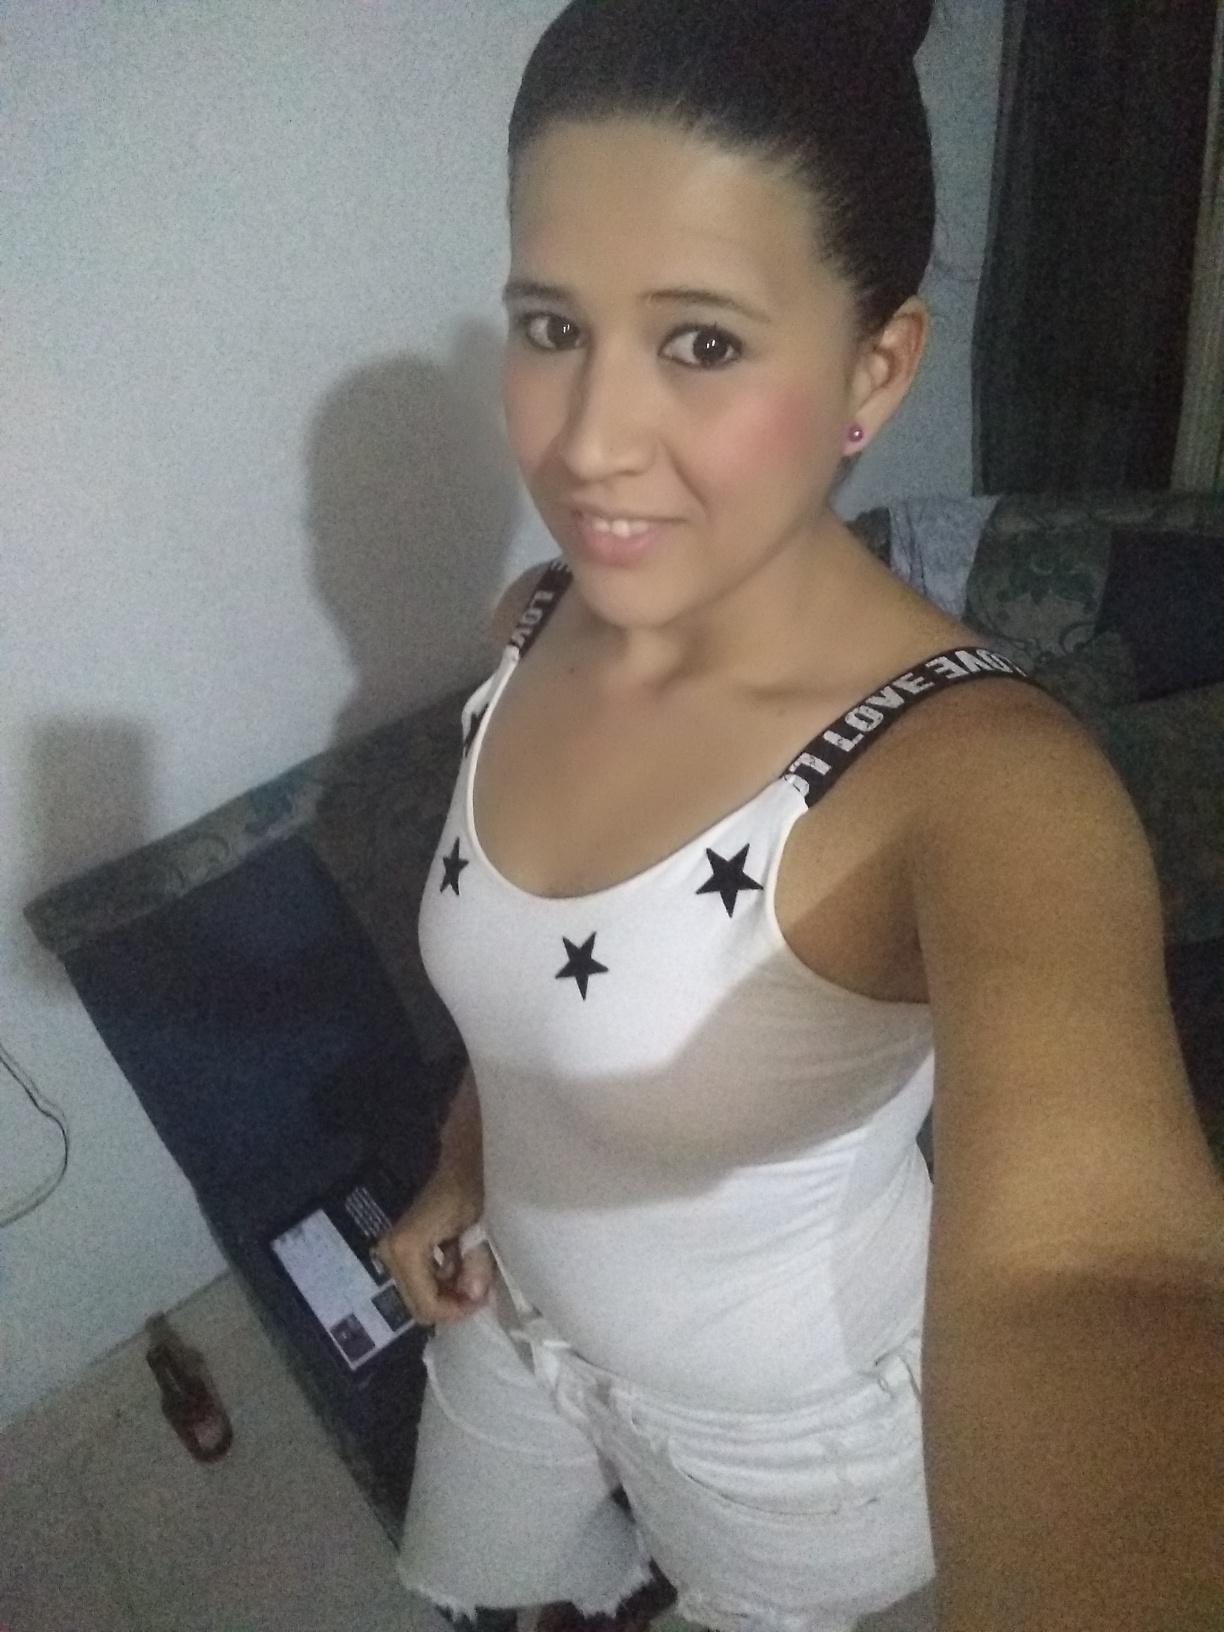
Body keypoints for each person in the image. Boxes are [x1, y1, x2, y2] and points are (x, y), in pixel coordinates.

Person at [376, 3, 1224, 1629]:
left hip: (788, 1440)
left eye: (701, 342)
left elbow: (1097, 1274)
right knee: (483, 1588)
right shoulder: (535, 616)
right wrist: (461, 1161)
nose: (589, 442)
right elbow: (530, 1015)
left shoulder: (982, 784)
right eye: (551, 324)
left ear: (874, 367)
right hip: (513, 1315)